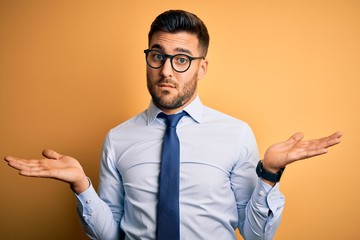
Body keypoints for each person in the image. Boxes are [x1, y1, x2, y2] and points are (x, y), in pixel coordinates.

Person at [4, 9, 342, 240]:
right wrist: (81, 186)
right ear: (148, 58)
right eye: (157, 56)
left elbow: (255, 234)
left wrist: (269, 175)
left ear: (202, 67)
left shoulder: (236, 134)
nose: (166, 71)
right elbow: (110, 234)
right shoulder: (118, 139)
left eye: (181, 59)